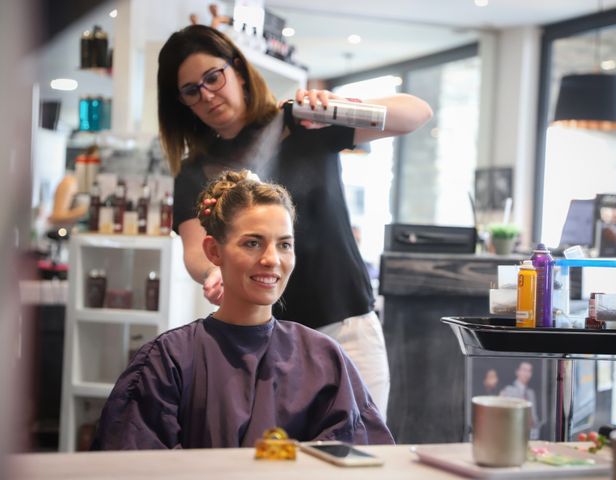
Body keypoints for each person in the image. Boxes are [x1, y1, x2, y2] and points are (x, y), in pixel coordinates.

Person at [157, 24, 433, 417]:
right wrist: (213, 272)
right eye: (191, 91)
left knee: (360, 456)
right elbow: (195, 251)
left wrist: (338, 105)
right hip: (264, 339)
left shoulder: (303, 122)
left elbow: (416, 113)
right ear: (181, 103)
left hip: (347, 324)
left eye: (212, 77)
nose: (207, 95)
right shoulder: (195, 173)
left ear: (236, 68)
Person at [91, 170, 393, 449]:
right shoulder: (168, 361)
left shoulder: (325, 360)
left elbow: (357, 460)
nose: (272, 259)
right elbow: (133, 465)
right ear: (213, 251)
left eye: (284, 245)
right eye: (252, 243)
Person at [499, 361, 541, 439]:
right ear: (517, 371)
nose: (527, 374)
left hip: (530, 435)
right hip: (512, 434)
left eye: (529, 371)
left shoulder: (531, 393)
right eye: (524, 370)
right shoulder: (508, 390)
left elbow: (534, 417)